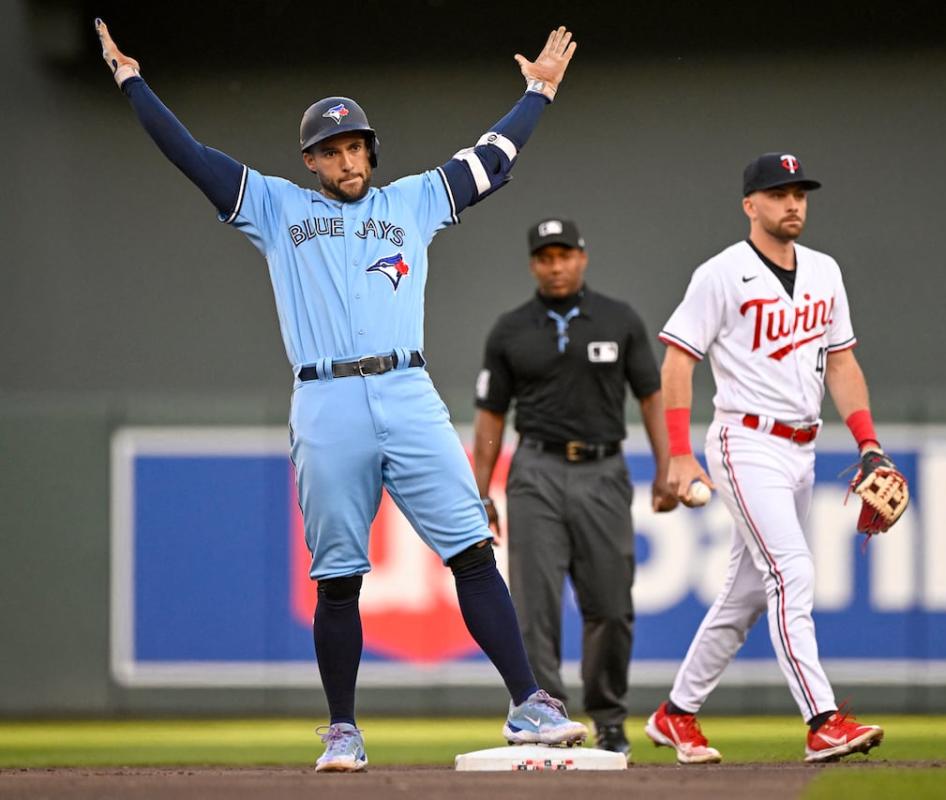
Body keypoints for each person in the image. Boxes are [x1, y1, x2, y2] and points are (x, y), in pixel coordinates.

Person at [94, 19, 589, 772]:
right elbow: (192, 158)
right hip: (326, 401)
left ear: (370, 150)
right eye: (331, 149)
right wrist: (134, 83)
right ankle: (343, 729)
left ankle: (527, 703)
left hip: (407, 389)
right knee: (338, 577)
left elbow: (492, 157)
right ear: (311, 161)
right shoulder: (277, 207)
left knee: (471, 550)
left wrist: (539, 93)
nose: (347, 158)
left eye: (356, 145)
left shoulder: (416, 200)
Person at [646, 153, 902, 764]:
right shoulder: (721, 274)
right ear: (749, 205)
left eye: (800, 193)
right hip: (745, 441)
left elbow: (841, 362)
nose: (793, 203)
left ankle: (676, 714)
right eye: (779, 192)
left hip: (804, 449)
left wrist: (868, 441)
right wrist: (679, 453)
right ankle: (823, 720)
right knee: (792, 573)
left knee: (747, 595)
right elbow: (678, 360)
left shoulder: (826, 271)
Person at [471, 219, 678, 757]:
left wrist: (667, 465)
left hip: (603, 470)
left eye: (564, 254)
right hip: (535, 470)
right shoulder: (510, 330)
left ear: (582, 257)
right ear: (533, 264)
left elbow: (651, 396)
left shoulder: (618, 319)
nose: (556, 265)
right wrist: (481, 491)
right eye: (545, 256)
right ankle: (545, 715)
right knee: (535, 608)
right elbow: (490, 416)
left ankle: (609, 718)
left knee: (610, 604)